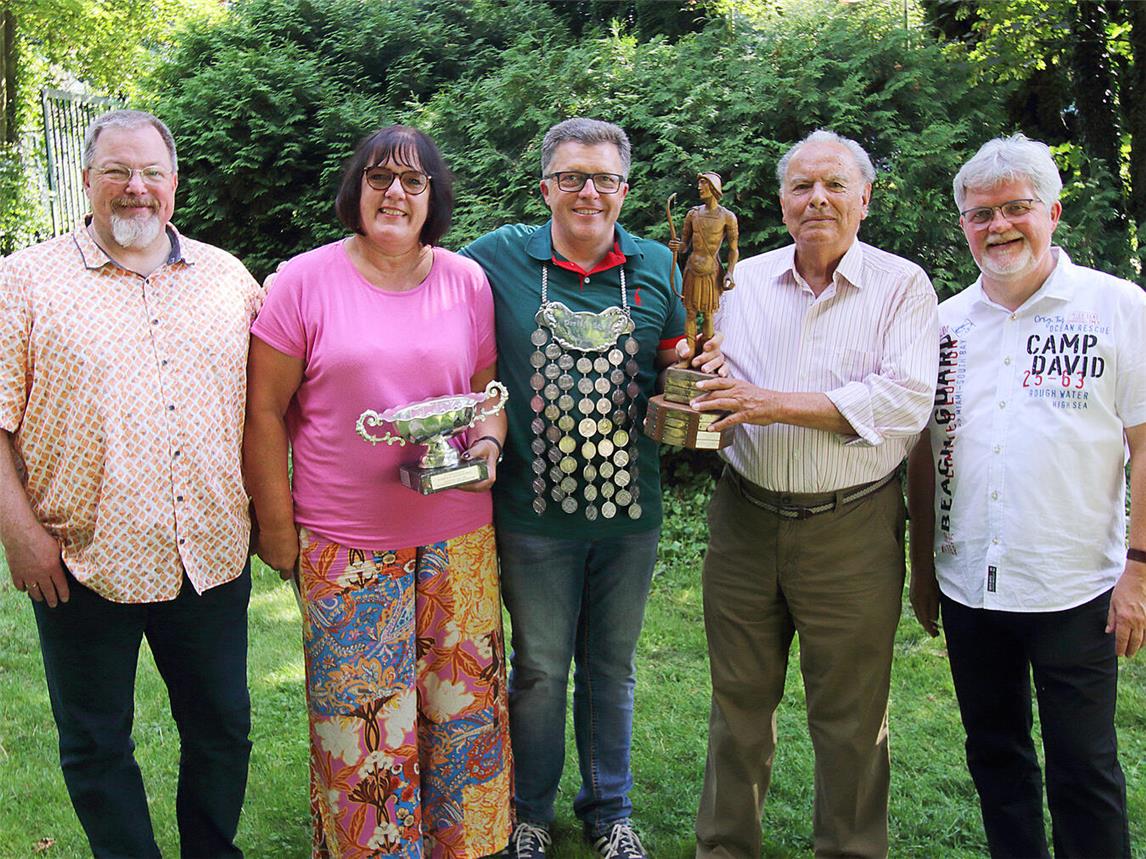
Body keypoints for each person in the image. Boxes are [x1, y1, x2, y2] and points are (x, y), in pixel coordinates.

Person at [243, 124, 512, 858]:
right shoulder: (303, 280)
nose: (395, 192)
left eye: (413, 180)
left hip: (458, 538)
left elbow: (486, 392)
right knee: (362, 730)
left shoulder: (467, 280)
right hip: (346, 545)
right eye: (379, 177)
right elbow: (264, 411)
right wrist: (277, 529)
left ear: (434, 196)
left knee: (463, 719)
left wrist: (487, 442)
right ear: (356, 188)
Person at [0, 109, 261, 858]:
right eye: (117, 170)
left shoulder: (227, 279)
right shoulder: (24, 281)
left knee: (222, 727)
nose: (135, 187)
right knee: (94, 741)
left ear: (175, 183)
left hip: (209, 553)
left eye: (151, 171)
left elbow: (279, 402)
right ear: (87, 181)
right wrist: (20, 533)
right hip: (79, 558)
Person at [459, 117, 721, 859]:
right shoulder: (496, 259)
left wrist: (697, 375)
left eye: (604, 178)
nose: (588, 191)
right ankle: (530, 814)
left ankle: (611, 812)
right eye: (572, 176)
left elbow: (677, 356)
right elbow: (414, 276)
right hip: (532, 515)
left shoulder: (655, 267)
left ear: (624, 190)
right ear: (545, 187)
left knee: (611, 666)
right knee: (540, 669)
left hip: (628, 513)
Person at [690, 129, 939, 858]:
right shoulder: (741, 282)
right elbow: (718, 384)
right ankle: (724, 848)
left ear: (864, 197)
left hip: (851, 525)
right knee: (736, 707)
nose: (817, 199)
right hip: (744, 518)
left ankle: (851, 850)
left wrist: (772, 402)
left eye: (834, 185)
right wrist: (703, 378)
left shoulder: (903, 286)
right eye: (802, 186)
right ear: (781, 201)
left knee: (852, 717)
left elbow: (904, 401)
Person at [906, 133, 1145, 858]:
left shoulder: (1118, 306)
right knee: (997, 758)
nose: (999, 225)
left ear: (1053, 212)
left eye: (1017, 208)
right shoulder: (941, 323)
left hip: (1078, 585)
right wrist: (923, 570)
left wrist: (1140, 565)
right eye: (982, 213)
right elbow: (924, 452)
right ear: (963, 224)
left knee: (1085, 768)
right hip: (972, 585)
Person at [668, 172, 739, 355]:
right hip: (692, 269)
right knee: (690, 314)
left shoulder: (727, 217)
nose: (699, 187)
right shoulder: (693, 214)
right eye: (699, 183)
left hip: (710, 271)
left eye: (703, 183)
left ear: (713, 187)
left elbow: (733, 249)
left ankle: (707, 355)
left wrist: (730, 273)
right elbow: (684, 246)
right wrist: (677, 246)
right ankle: (689, 354)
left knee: (708, 315)